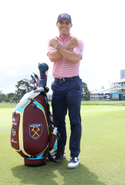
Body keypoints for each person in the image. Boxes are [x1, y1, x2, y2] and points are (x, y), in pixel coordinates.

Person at [47, 13, 84, 169]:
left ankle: (74, 155)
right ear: (57, 24)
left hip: (72, 84)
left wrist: (60, 47)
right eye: (61, 22)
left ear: (71, 25)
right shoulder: (52, 41)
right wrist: (64, 47)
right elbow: (52, 58)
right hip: (58, 85)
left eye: (66, 22)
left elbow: (75, 59)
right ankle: (60, 152)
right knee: (58, 121)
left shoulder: (77, 41)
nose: (64, 25)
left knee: (74, 121)